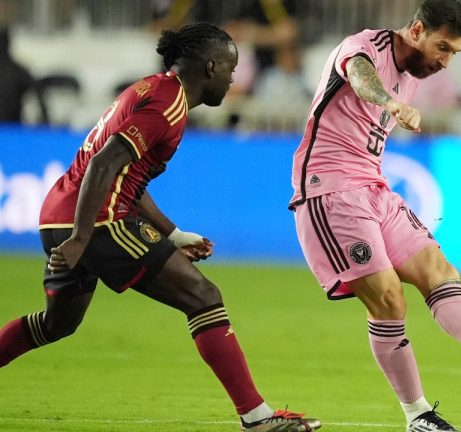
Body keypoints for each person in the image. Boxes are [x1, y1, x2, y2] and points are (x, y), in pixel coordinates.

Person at [0, 22, 320, 432]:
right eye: (230, 68)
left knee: (56, 324)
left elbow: (128, 178)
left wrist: (171, 234)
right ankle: (257, 418)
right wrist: (82, 237)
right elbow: (104, 164)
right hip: (97, 220)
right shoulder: (167, 103)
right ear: (209, 67)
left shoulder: (152, 88)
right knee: (203, 296)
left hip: (60, 213)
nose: (233, 77)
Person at [287, 1, 461, 431]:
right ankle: (418, 416)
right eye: (442, 47)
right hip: (329, 190)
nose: (445, 61)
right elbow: (361, 78)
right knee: (388, 300)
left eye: (454, 53)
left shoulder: (414, 74)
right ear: (418, 30)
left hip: (374, 188)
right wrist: (391, 102)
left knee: (438, 271)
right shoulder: (364, 46)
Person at [0, 27, 35, 123]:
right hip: (15, 130)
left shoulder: (18, 72)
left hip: (14, 129)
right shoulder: (18, 71)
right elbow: (37, 92)